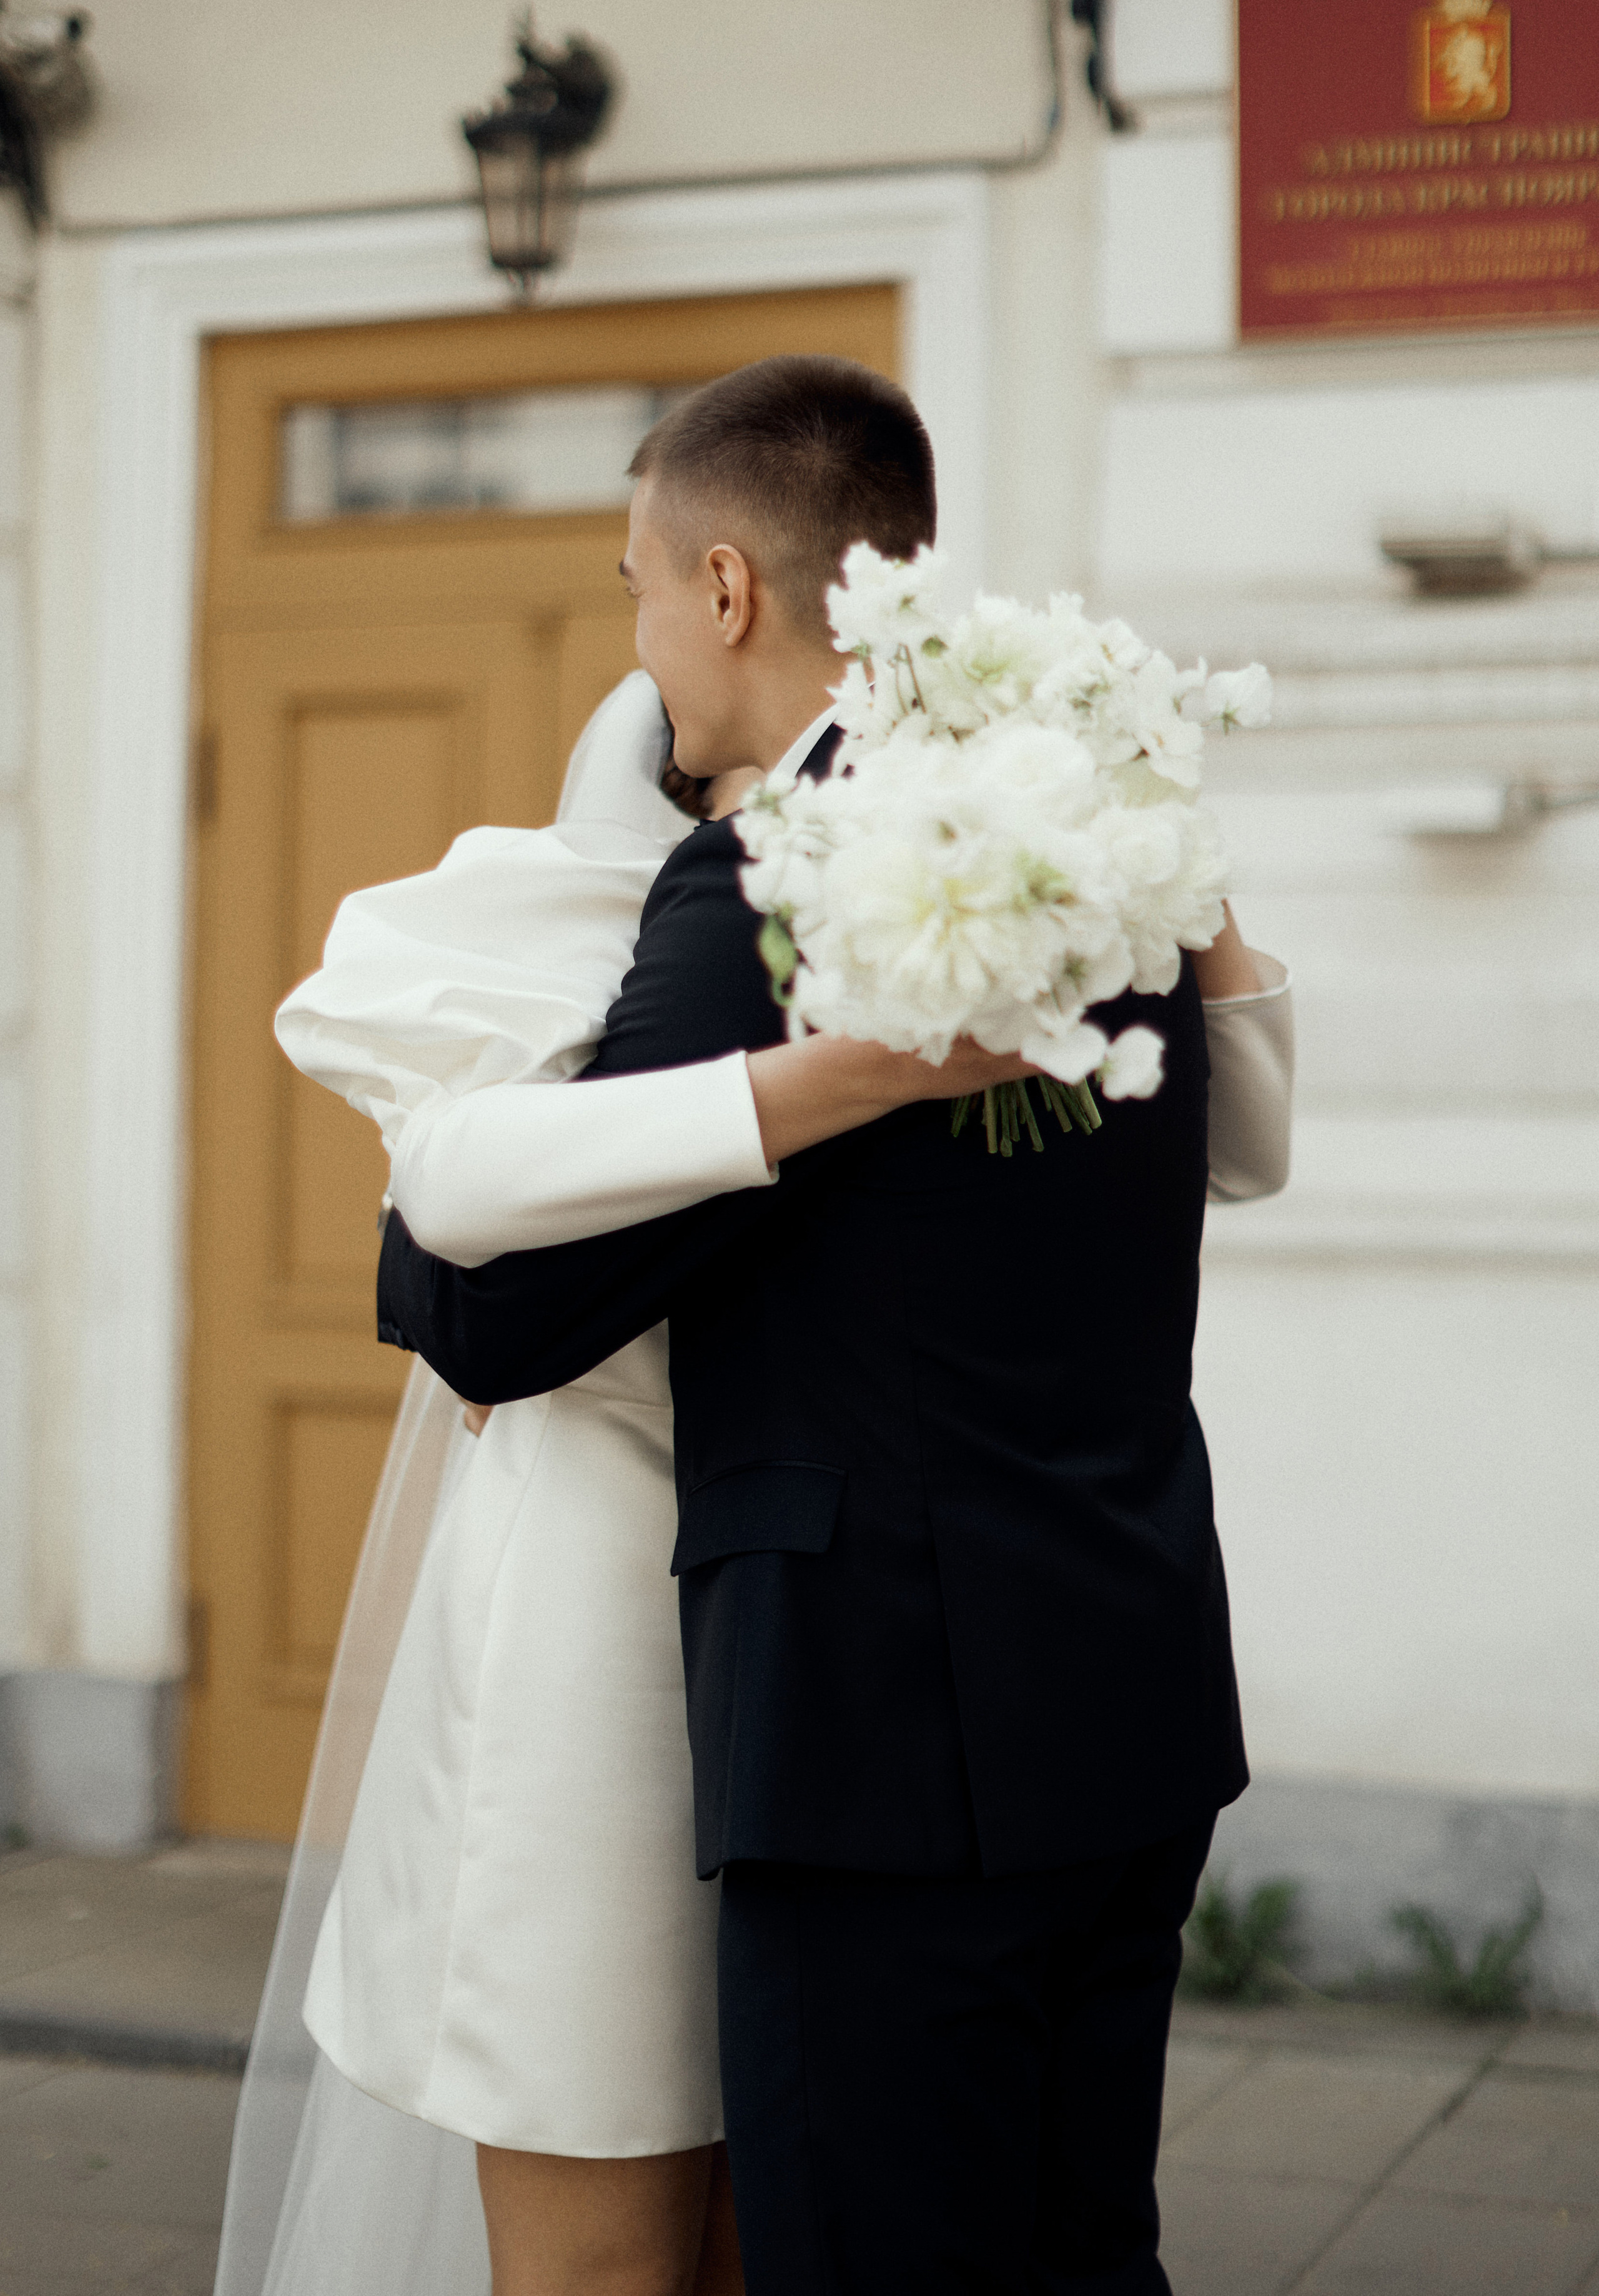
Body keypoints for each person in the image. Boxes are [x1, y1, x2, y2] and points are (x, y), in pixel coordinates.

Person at [375, 355, 1288, 2296]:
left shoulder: (774, 879)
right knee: (1079, 2253)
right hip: (1127, 1686)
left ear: (725, 587)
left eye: (636, 587)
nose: (641, 653)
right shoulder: (1094, 835)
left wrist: (830, 1082)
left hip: (878, 1730)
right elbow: (1251, 1139)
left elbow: (486, 1292)